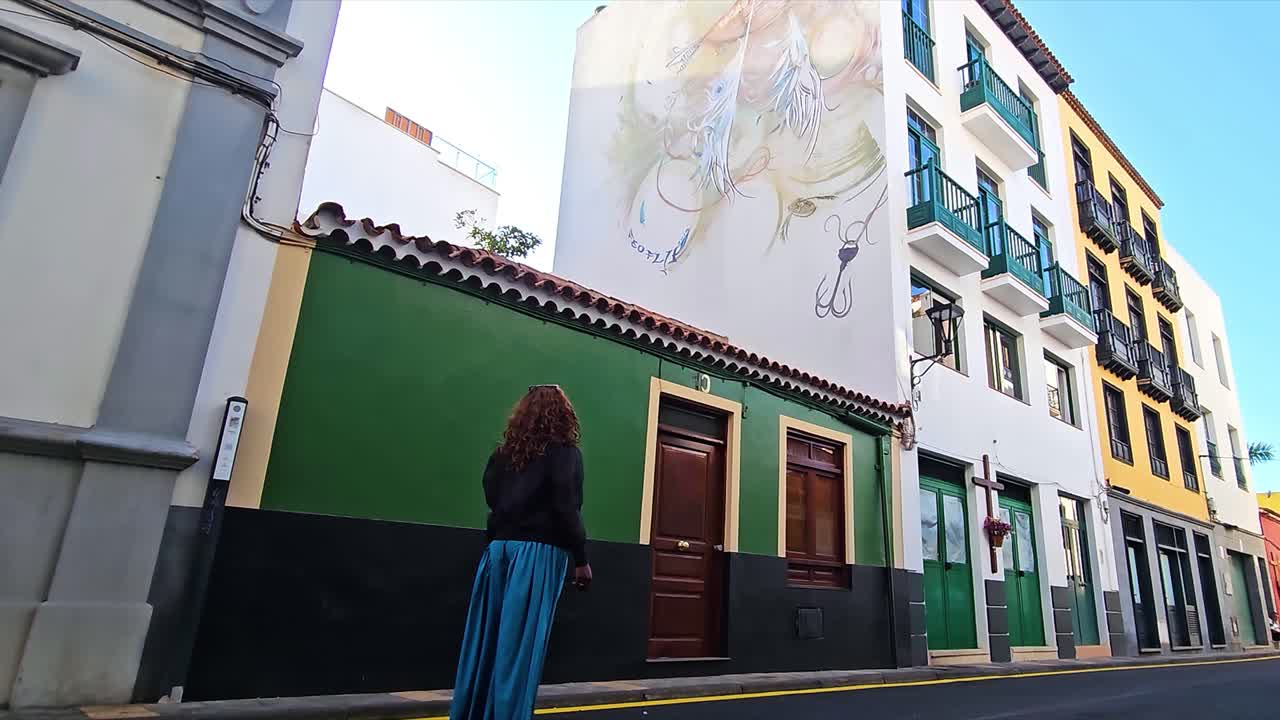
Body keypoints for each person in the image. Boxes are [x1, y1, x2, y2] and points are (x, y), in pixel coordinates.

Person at [449, 384, 592, 720]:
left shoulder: (503, 454)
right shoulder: (565, 453)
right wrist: (581, 559)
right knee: (520, 650)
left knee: (485, 644)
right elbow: (567, 507)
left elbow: (491, 496)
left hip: (497, 552)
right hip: (538, 555)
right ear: (564, 414)